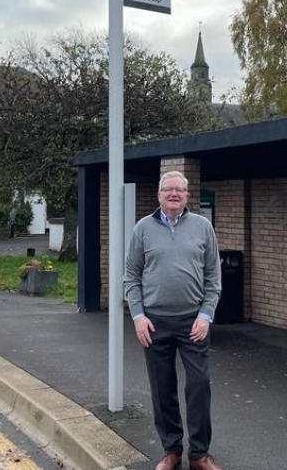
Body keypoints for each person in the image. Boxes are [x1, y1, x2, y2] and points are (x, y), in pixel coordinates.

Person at [124, 170, 224, 470]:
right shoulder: (142, 228)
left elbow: (213, 277)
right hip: (154, 323)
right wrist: (138, 316)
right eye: (168, 189)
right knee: (161, 388)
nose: (174, 194)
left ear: (187, 195)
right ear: (158, 195)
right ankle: (172, 451)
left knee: (199, 385)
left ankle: (199, 454)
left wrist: (206, 316)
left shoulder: (203, 227)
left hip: (193, 322)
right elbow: (131, 277)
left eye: (180, 189)